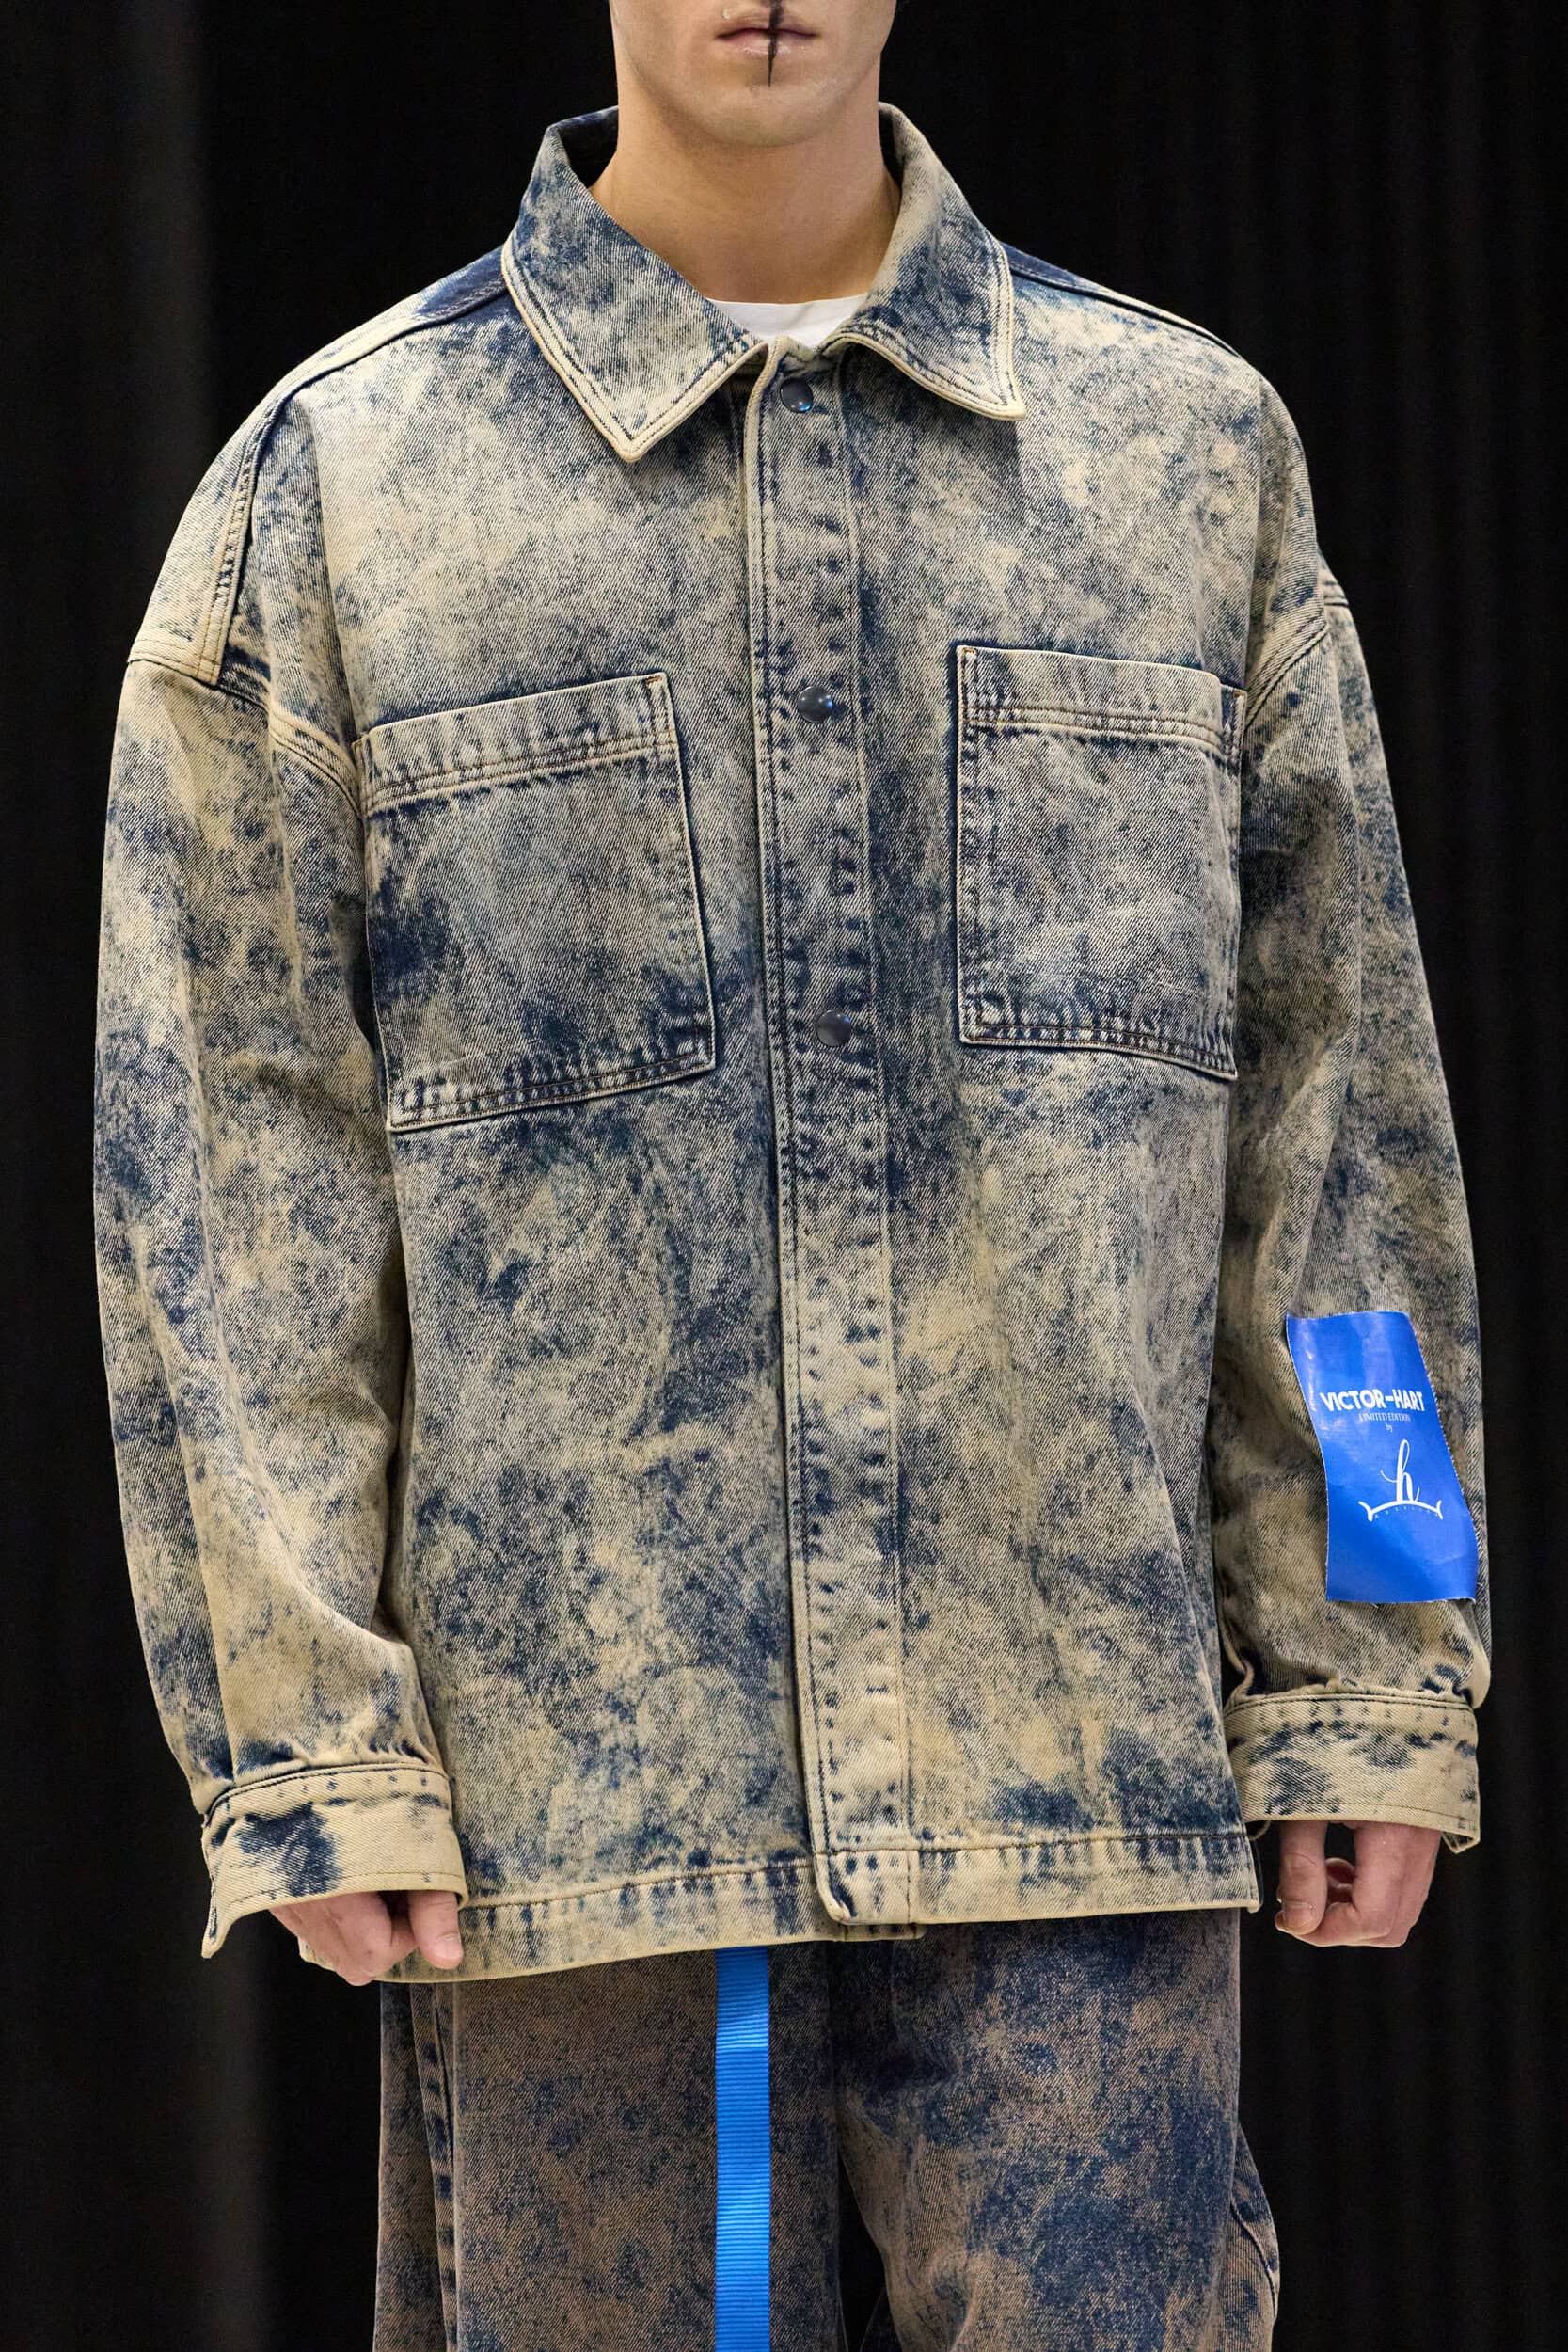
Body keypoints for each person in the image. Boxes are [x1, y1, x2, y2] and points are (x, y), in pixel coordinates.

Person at [90, 3, 1493, 2345]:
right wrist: (308, 1737)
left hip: (1075, 1797)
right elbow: (232, 1189)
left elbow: (1338, 1127)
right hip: (586, 1835)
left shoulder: (1182, 458)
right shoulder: (345, 487)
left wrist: (1381, 1657)